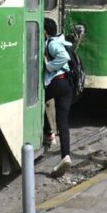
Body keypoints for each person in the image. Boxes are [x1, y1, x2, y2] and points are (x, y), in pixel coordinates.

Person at [43, 18, 73, 176]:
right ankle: (65, 156)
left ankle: (49, 135)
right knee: (63, 122)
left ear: (45, 31)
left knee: (36, 103)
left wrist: (49, 66)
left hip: (57, 82)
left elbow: (63, 57)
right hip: (67, 85)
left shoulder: (52, 43)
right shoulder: (61, 40)